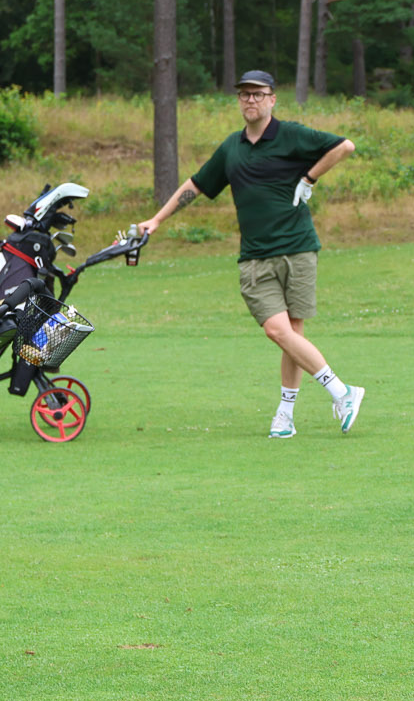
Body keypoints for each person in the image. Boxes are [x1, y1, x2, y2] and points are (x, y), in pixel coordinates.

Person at [139, 70, 363, 438]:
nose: (251, 100)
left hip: (298, 249)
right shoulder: (232, 148)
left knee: (293, 335)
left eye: (258, 94)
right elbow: (197, 184)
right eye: (245, 94)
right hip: (256, 257)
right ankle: (342, 391)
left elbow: (344, 146)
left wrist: (309, 178)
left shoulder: (291, 135)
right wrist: (157, 219)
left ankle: (285, 416)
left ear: (272, 99)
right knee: (277, 331)